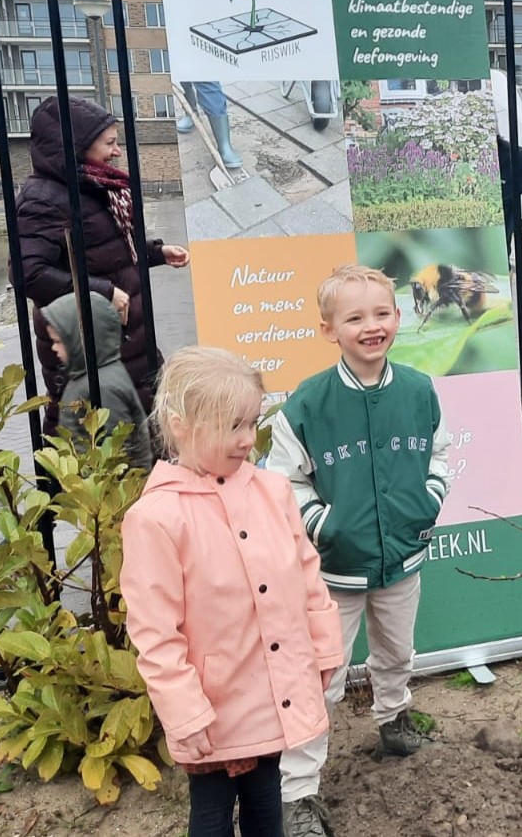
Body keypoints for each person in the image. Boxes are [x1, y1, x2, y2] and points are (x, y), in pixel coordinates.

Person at [121, 346, 344, 837]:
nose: (248, 440)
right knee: (213, 815)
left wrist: (324, 648)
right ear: (181, 425)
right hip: (214, 708)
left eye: (253, 423)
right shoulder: (156, 519)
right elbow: (156, 633)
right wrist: (185, 712)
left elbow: (308, 576)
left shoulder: (272, 491)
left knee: (268, 804)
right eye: (232, 426)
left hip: (272, 691)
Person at [267, 264, 451, 837]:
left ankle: (394, 721)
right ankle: (297, 792)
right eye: (355, 318)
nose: (371, 327)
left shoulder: (420, 391)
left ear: (398, 318)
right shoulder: (307, 404)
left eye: (381, 314)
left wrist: (429, 498)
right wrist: (323, 525)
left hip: (402, 559)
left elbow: (439, 455)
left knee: (397, 652)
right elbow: (283, 482)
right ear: (329, 330)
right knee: (321, 675)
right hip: (333, 572)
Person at [17, 96, 190, 435]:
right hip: (90, 347)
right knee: (95, 443)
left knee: (142, 436)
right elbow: (28, 274)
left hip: (128, 343)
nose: (117, 152)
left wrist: (155, 252)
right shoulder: (43, 199)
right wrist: (104, 293)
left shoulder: (95, 186)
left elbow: (104, 248)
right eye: (109, 143)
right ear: (77, 146)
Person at [40, 291, 154, 470]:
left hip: (109, 492)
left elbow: (117, 452)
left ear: (79, 341)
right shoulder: (84, 376)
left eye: (58, 341)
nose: (53, 347)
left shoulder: (103, 386)